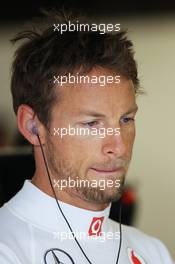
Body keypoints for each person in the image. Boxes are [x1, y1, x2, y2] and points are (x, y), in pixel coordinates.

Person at [0, 10, 173, 264]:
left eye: (126, 120)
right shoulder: (7, 249)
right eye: (92, 123)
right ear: (32, 126)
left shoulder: (152, 252)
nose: (119, 146)